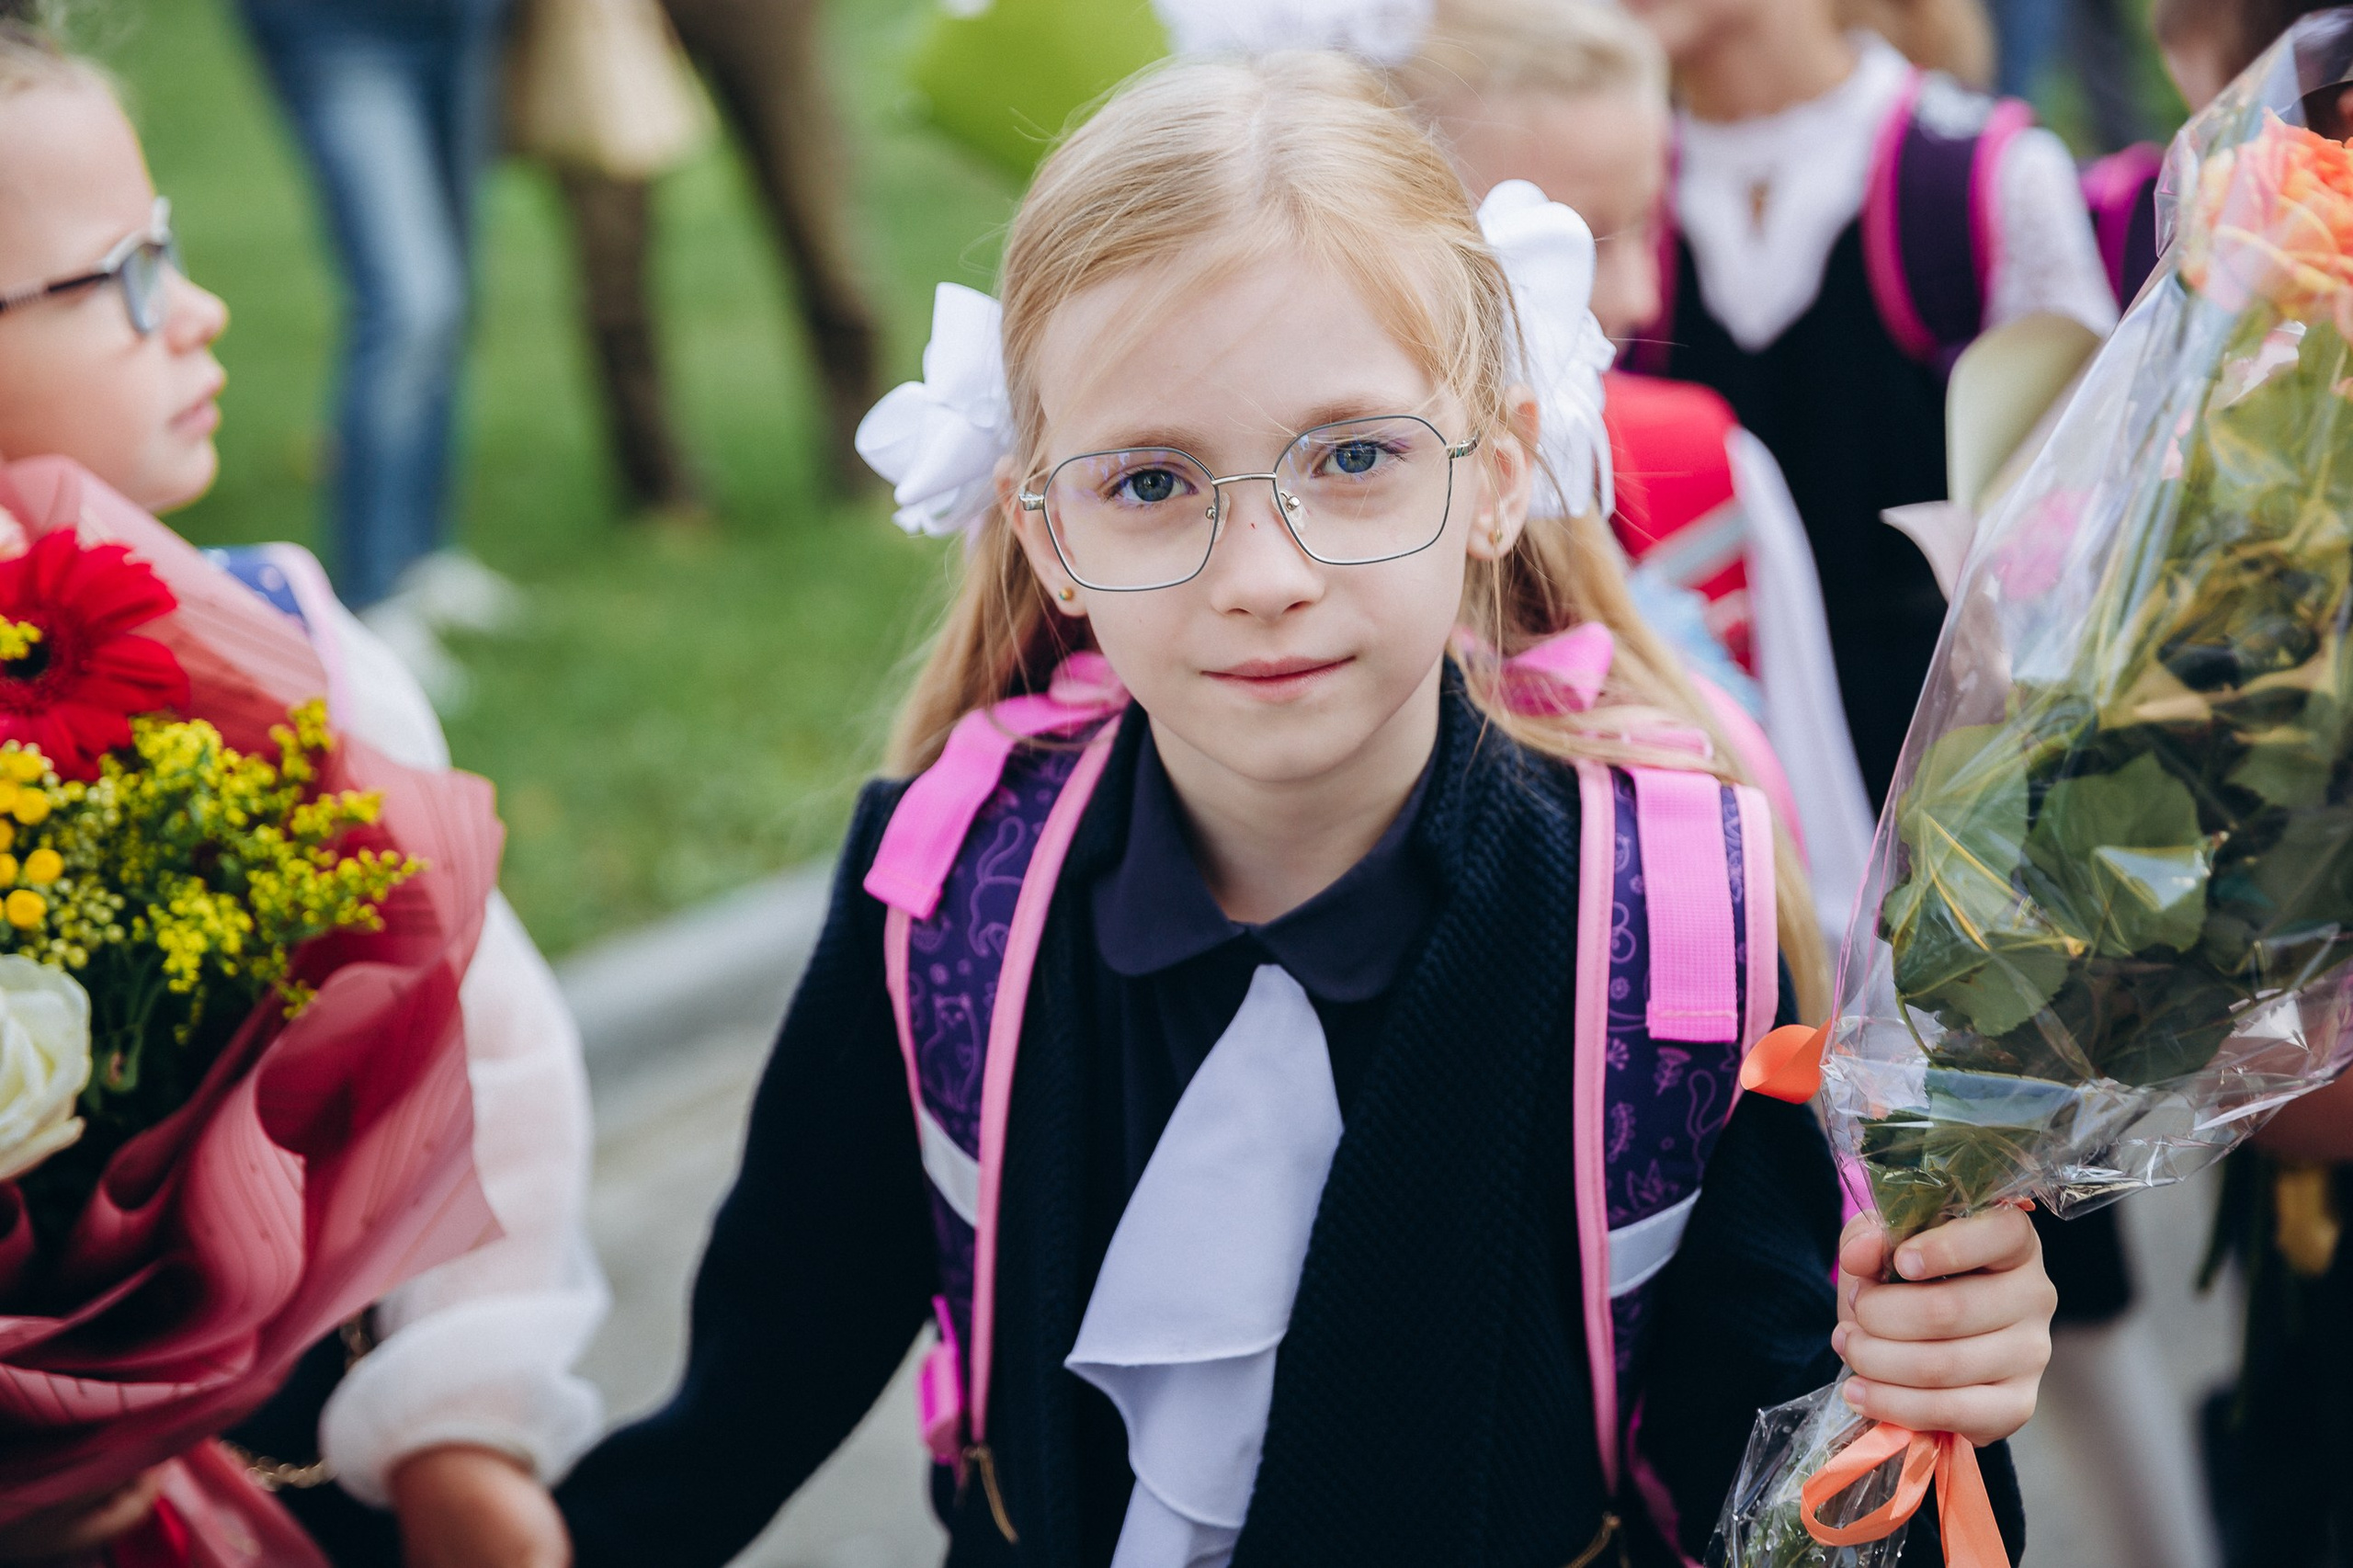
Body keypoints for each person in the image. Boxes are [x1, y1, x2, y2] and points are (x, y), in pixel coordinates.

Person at [548, 51, 2057, 1568]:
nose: (1264, 576)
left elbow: (1789, 1490)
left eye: (1352, 459)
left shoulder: (1666, 931)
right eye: (1150, 483)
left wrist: (1925, 1383)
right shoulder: (945, 896)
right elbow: (743, 1405)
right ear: (1045, 529)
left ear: (1497, 473)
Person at [0, 28, 602, 1566]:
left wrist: (460, 1421)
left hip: (321, 1473)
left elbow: (486, 1055)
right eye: (130, 274)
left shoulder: (285, 658)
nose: (198, 308)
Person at [1389, 0, 1878, 943]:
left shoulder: (1706, 473)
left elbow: (1823, 867)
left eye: (1648, 226)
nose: (1642, 296)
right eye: (1577, 242)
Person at [1622, 0, 2117, 811]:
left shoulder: (1978, 176)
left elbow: (2090, 538)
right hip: (1700, 797)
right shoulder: (1607, 188)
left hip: (1954, 803)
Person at [235, 0, 522, 706]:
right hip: (334, 28)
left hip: (459, 20)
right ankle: (369, 599)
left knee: (451, 293)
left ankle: (423, 554)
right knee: (410, 303)